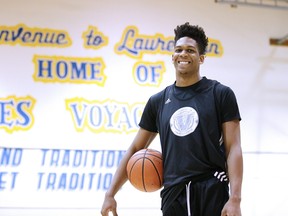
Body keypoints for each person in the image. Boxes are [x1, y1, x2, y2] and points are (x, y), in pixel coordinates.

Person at [101, 22, 243, 216]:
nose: (183, 54)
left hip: (211, 188)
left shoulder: (220, 94)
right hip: (173, 194)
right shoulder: (157, 102)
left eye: (190, 50)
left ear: (201, 58)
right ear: (172, 56)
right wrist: (111, 193)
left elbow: (233, 147)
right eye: (179, 49)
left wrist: (235, 198)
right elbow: (135, 149)